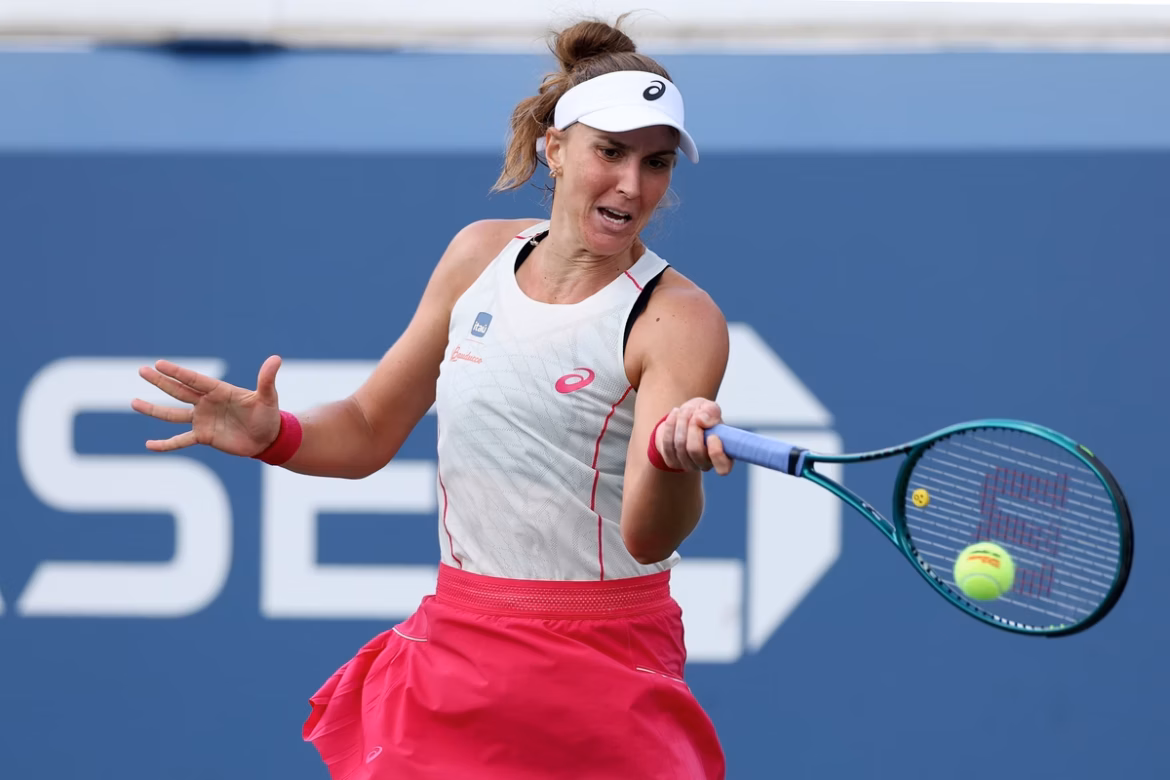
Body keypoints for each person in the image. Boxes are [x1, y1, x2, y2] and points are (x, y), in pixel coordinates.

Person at [133, 16, 732, 780]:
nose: (632, 185)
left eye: (656, 163)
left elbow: (648, 535)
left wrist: (673, 460)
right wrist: (274, 435)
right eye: (609, 152)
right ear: (555, 148)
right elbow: (366, 426)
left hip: (605, 665)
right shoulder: (478, 255)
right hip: (459, 653)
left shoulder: (678, 320)